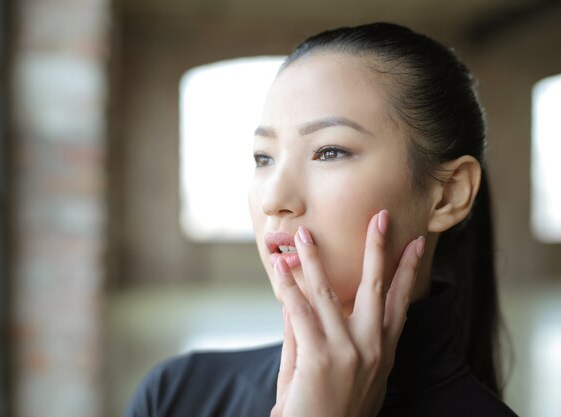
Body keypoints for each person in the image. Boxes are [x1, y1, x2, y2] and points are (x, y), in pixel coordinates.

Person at [123, 22, 519, 417]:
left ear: (448, 194)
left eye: (329, 152)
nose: (274, 199)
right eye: (264, 157)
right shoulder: (176, 395)